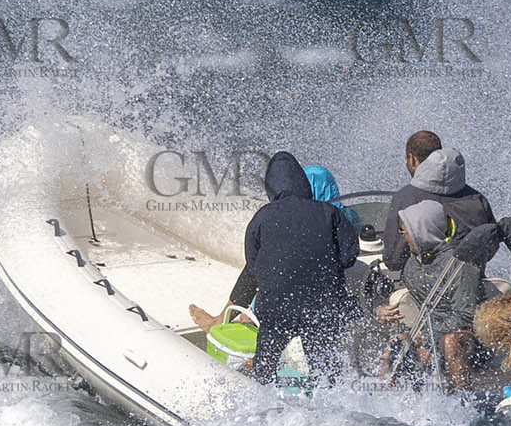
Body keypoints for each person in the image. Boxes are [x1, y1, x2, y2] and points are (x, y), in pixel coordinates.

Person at [189, 162, 355, 331]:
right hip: (327, 294)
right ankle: (245, 315)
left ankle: (233, 319)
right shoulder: (347, 215)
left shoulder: (317, 218)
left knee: (269, 262)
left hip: (314, 296)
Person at [243, 151, 360, 384]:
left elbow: (252, 264)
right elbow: (349, 257)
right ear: (303, 183)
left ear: (271, 187)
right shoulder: (331, 213)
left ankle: (259, 395)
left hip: (276, 307)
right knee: (326, 372)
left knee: (264, 368)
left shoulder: (262, 217)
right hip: (322, 305)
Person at [375, 200, 485, 389]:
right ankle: (383, 403)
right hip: (432, 334)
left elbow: (466, 315)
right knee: (394, 346)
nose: (404, 237)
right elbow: (402, 297)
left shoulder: (461, 264)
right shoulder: (412, 265)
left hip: (471, 339)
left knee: (451, 342)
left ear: (421, 231)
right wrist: (381, 309)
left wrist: (425, 338)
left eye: (405, 231)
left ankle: (464, 404)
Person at [380, 134, 496, 274]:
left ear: (412, 159)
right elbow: (490, 249)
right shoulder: (477, 198)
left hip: (426, 289)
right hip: (473, 283)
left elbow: (394, 261)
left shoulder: (405, 198)